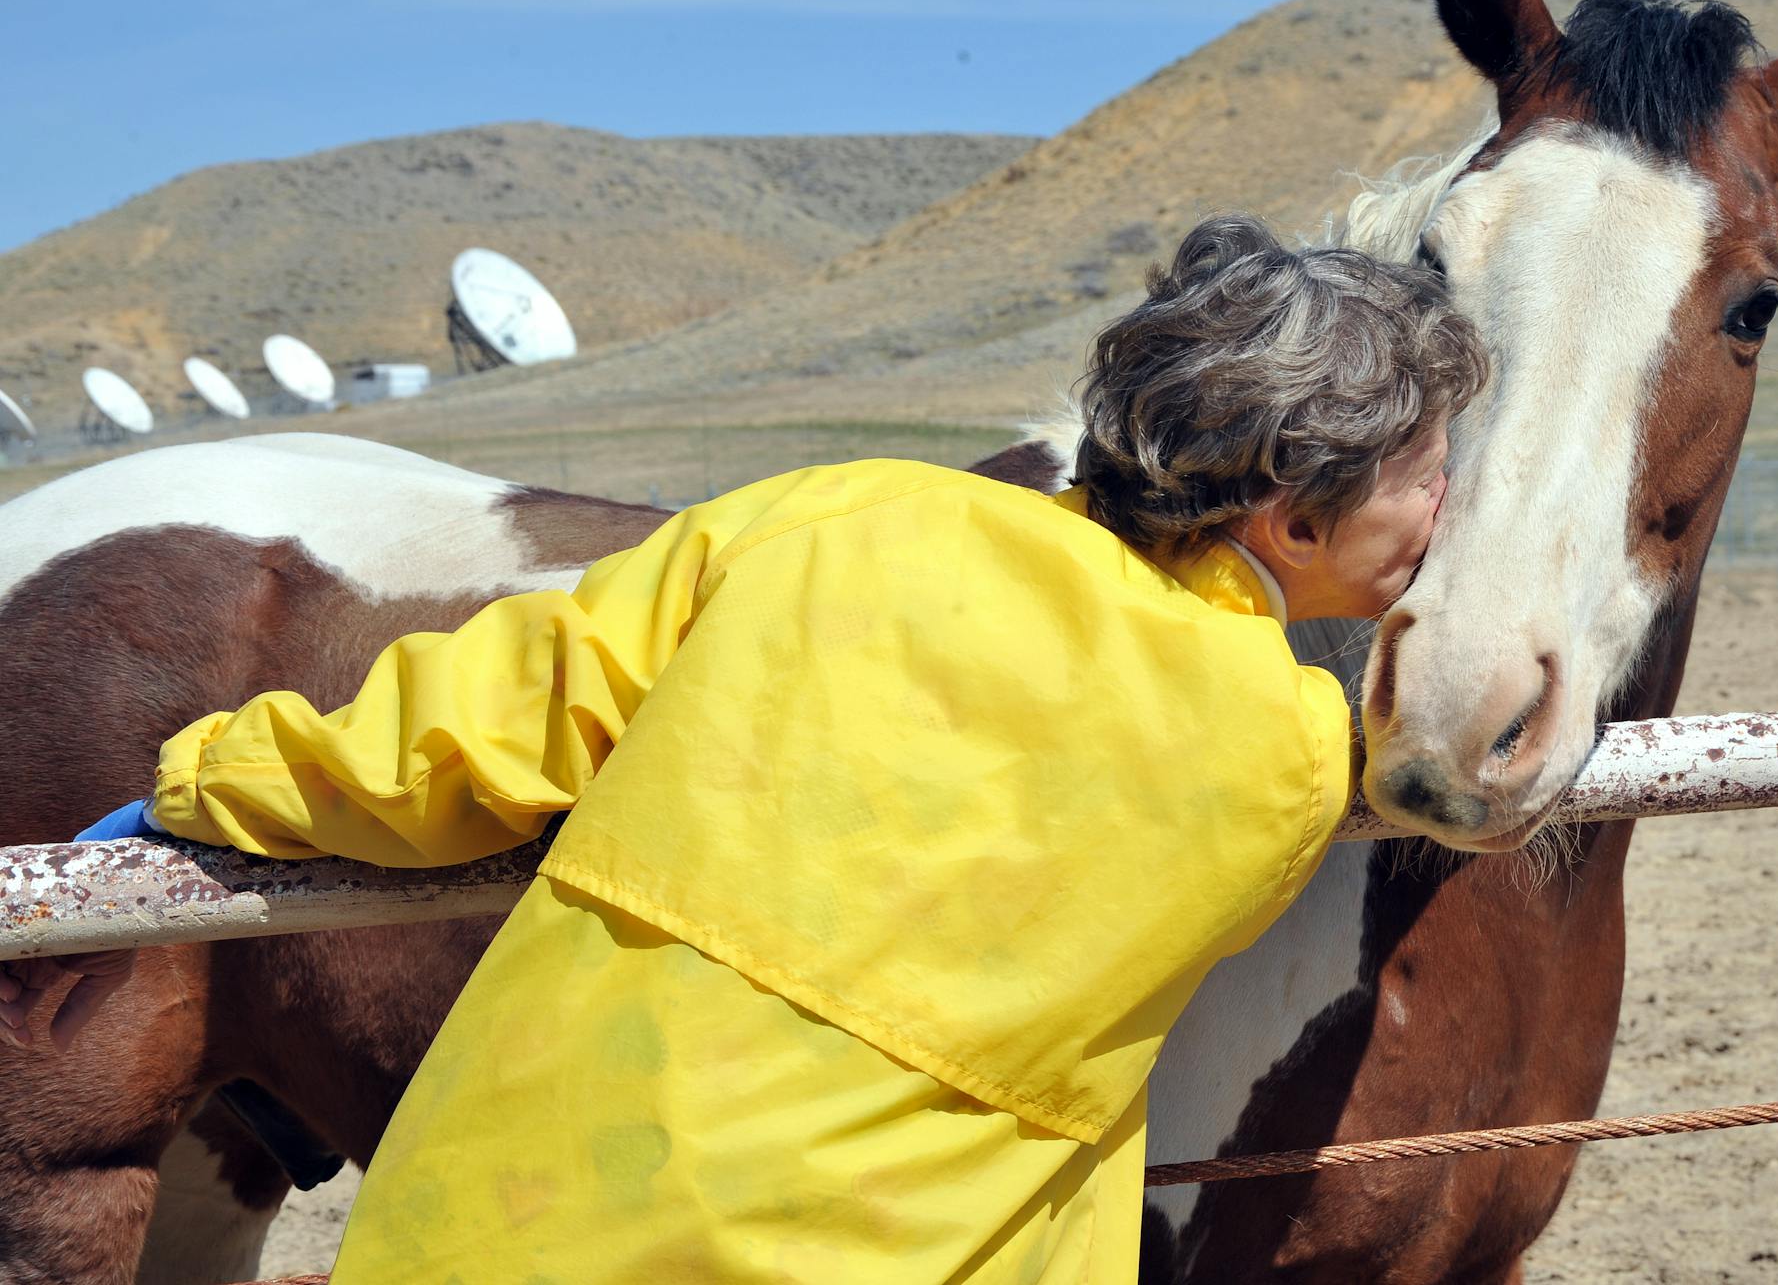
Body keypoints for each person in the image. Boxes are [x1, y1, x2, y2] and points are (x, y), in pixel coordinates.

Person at [2, 214, 1485, 1282]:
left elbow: (490, 716)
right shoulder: (1289, 750)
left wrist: (203, 784)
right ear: (1293, 517)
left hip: (528, 1215)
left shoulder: (842, 513)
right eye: (1427, 473)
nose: (1446, 512)